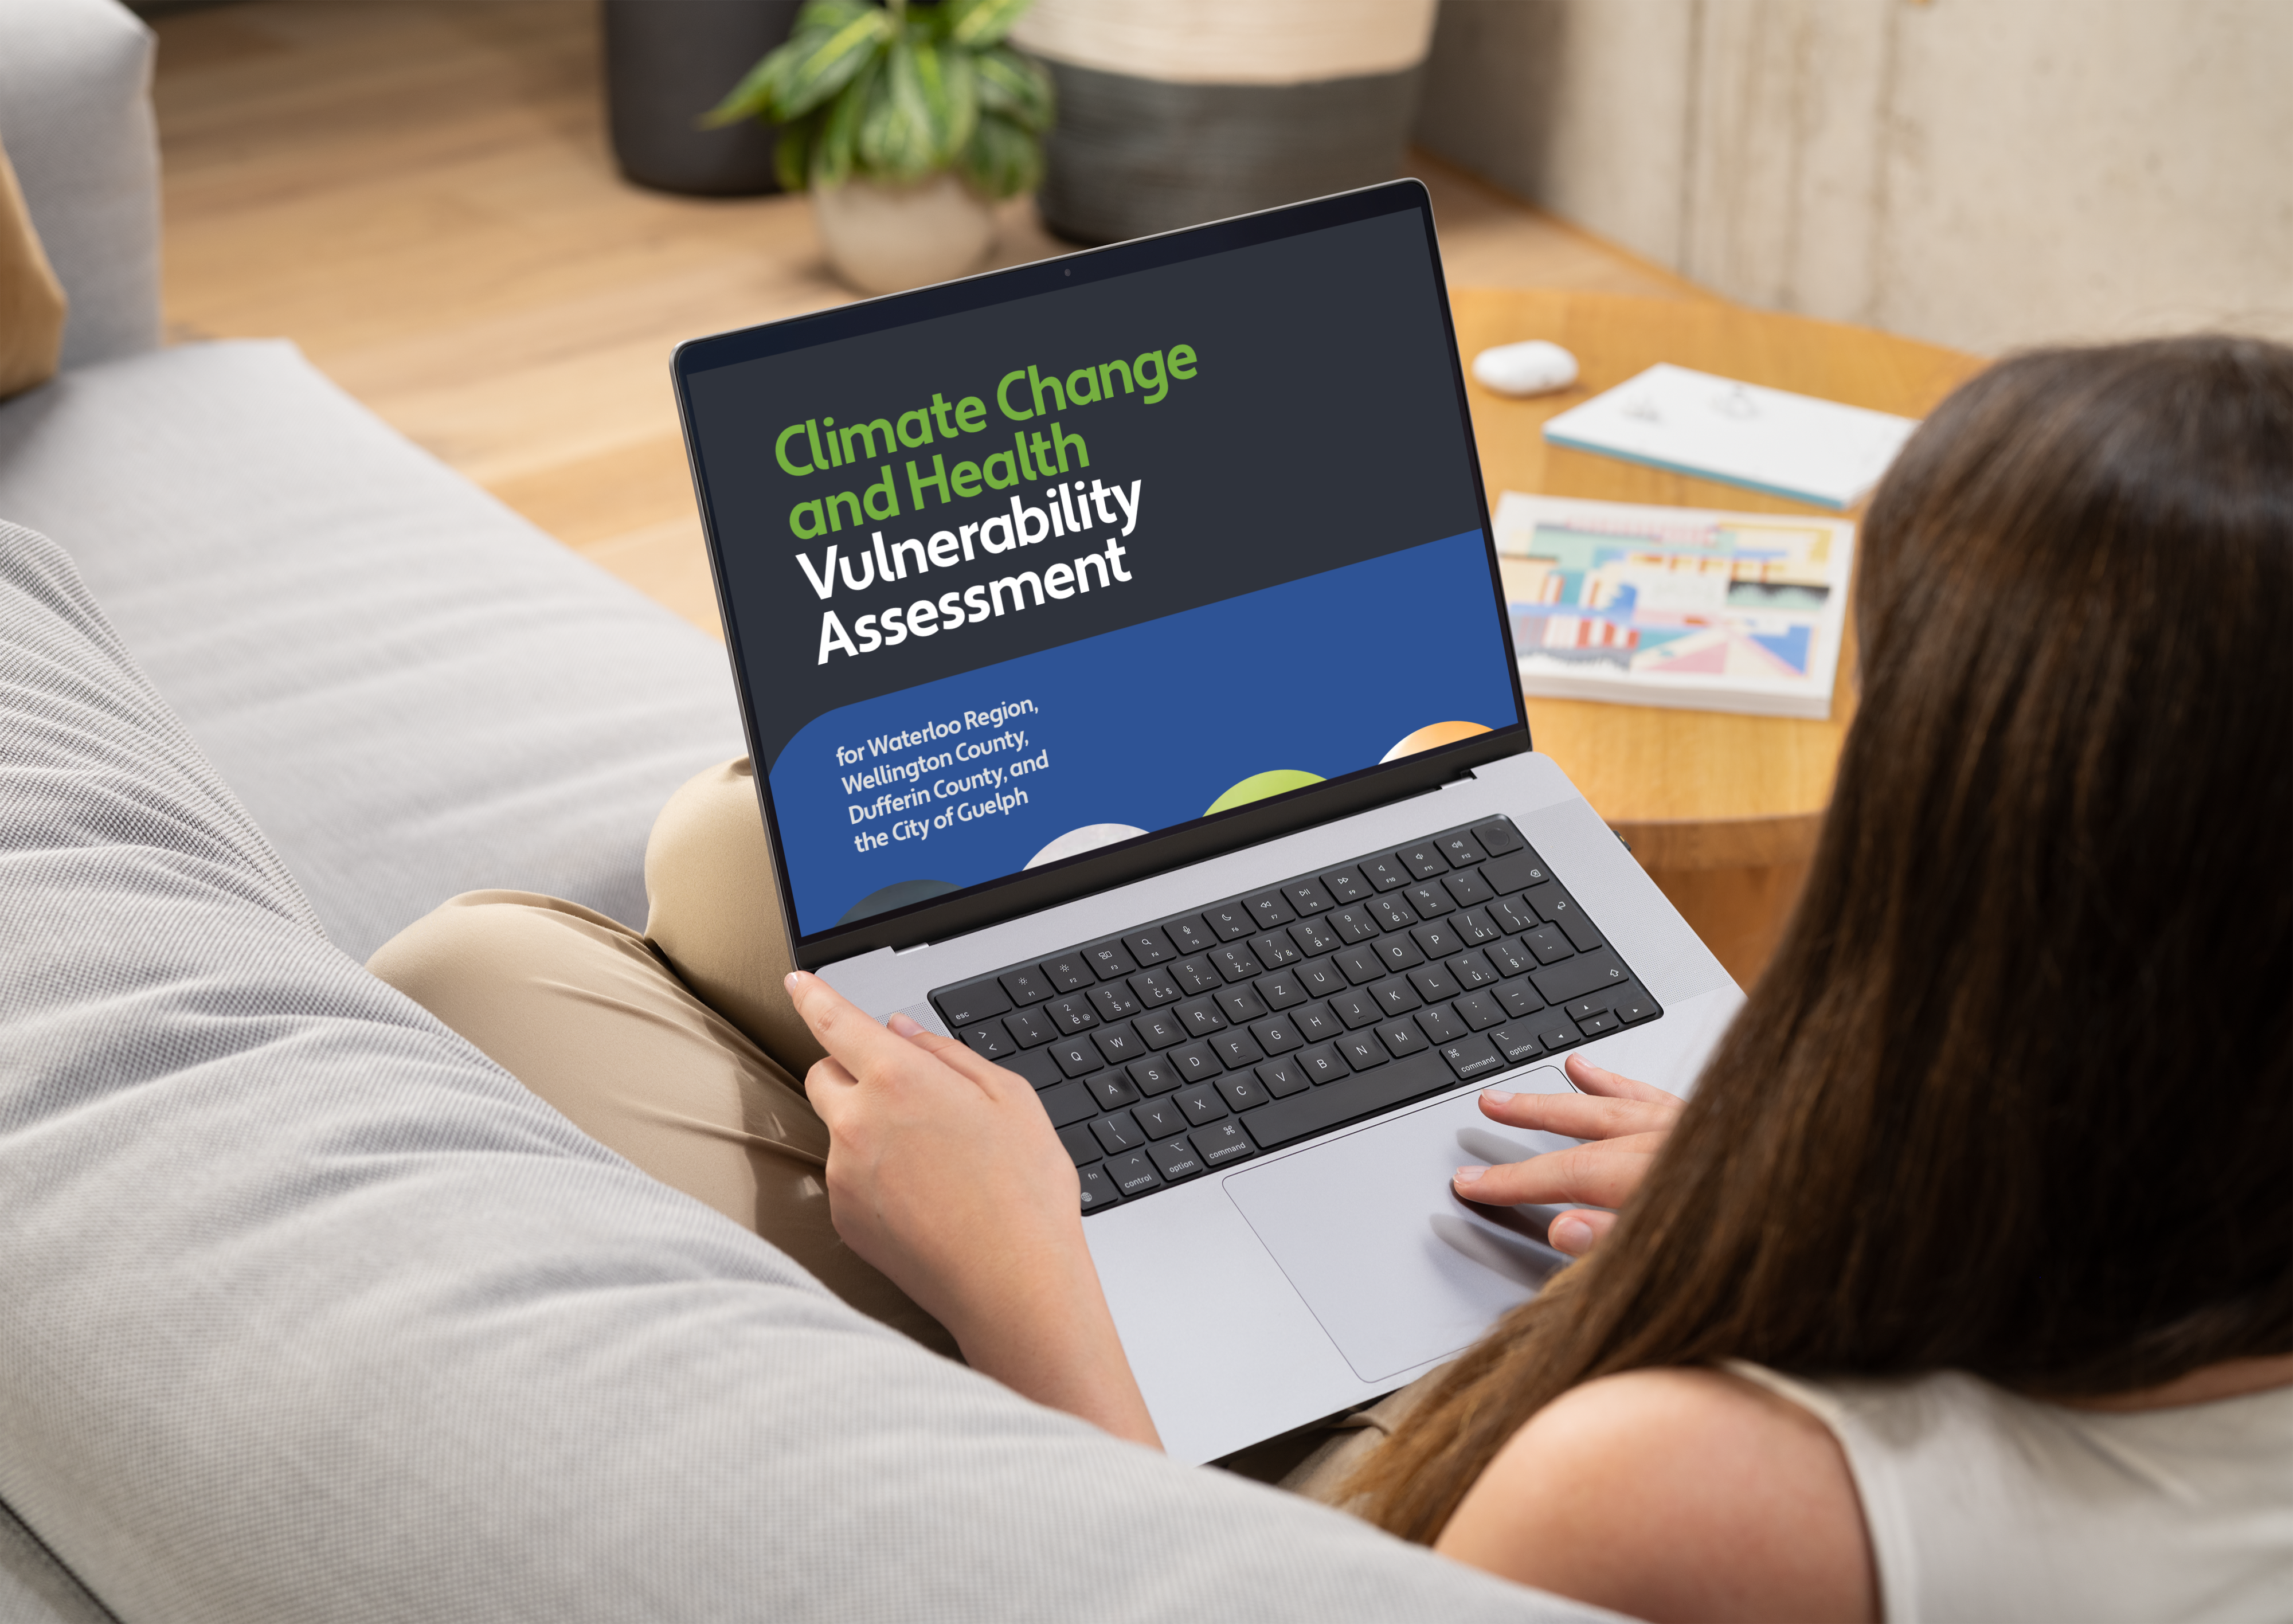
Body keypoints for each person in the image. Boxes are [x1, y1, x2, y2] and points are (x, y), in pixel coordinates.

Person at [371, 336, 2293, 1622]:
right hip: (1755, 1311)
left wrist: (1032, 1290)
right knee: (739, 857)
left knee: (484, 976)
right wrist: (1811, 1182)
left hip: (1250, 1509)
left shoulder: (1689, 1493)